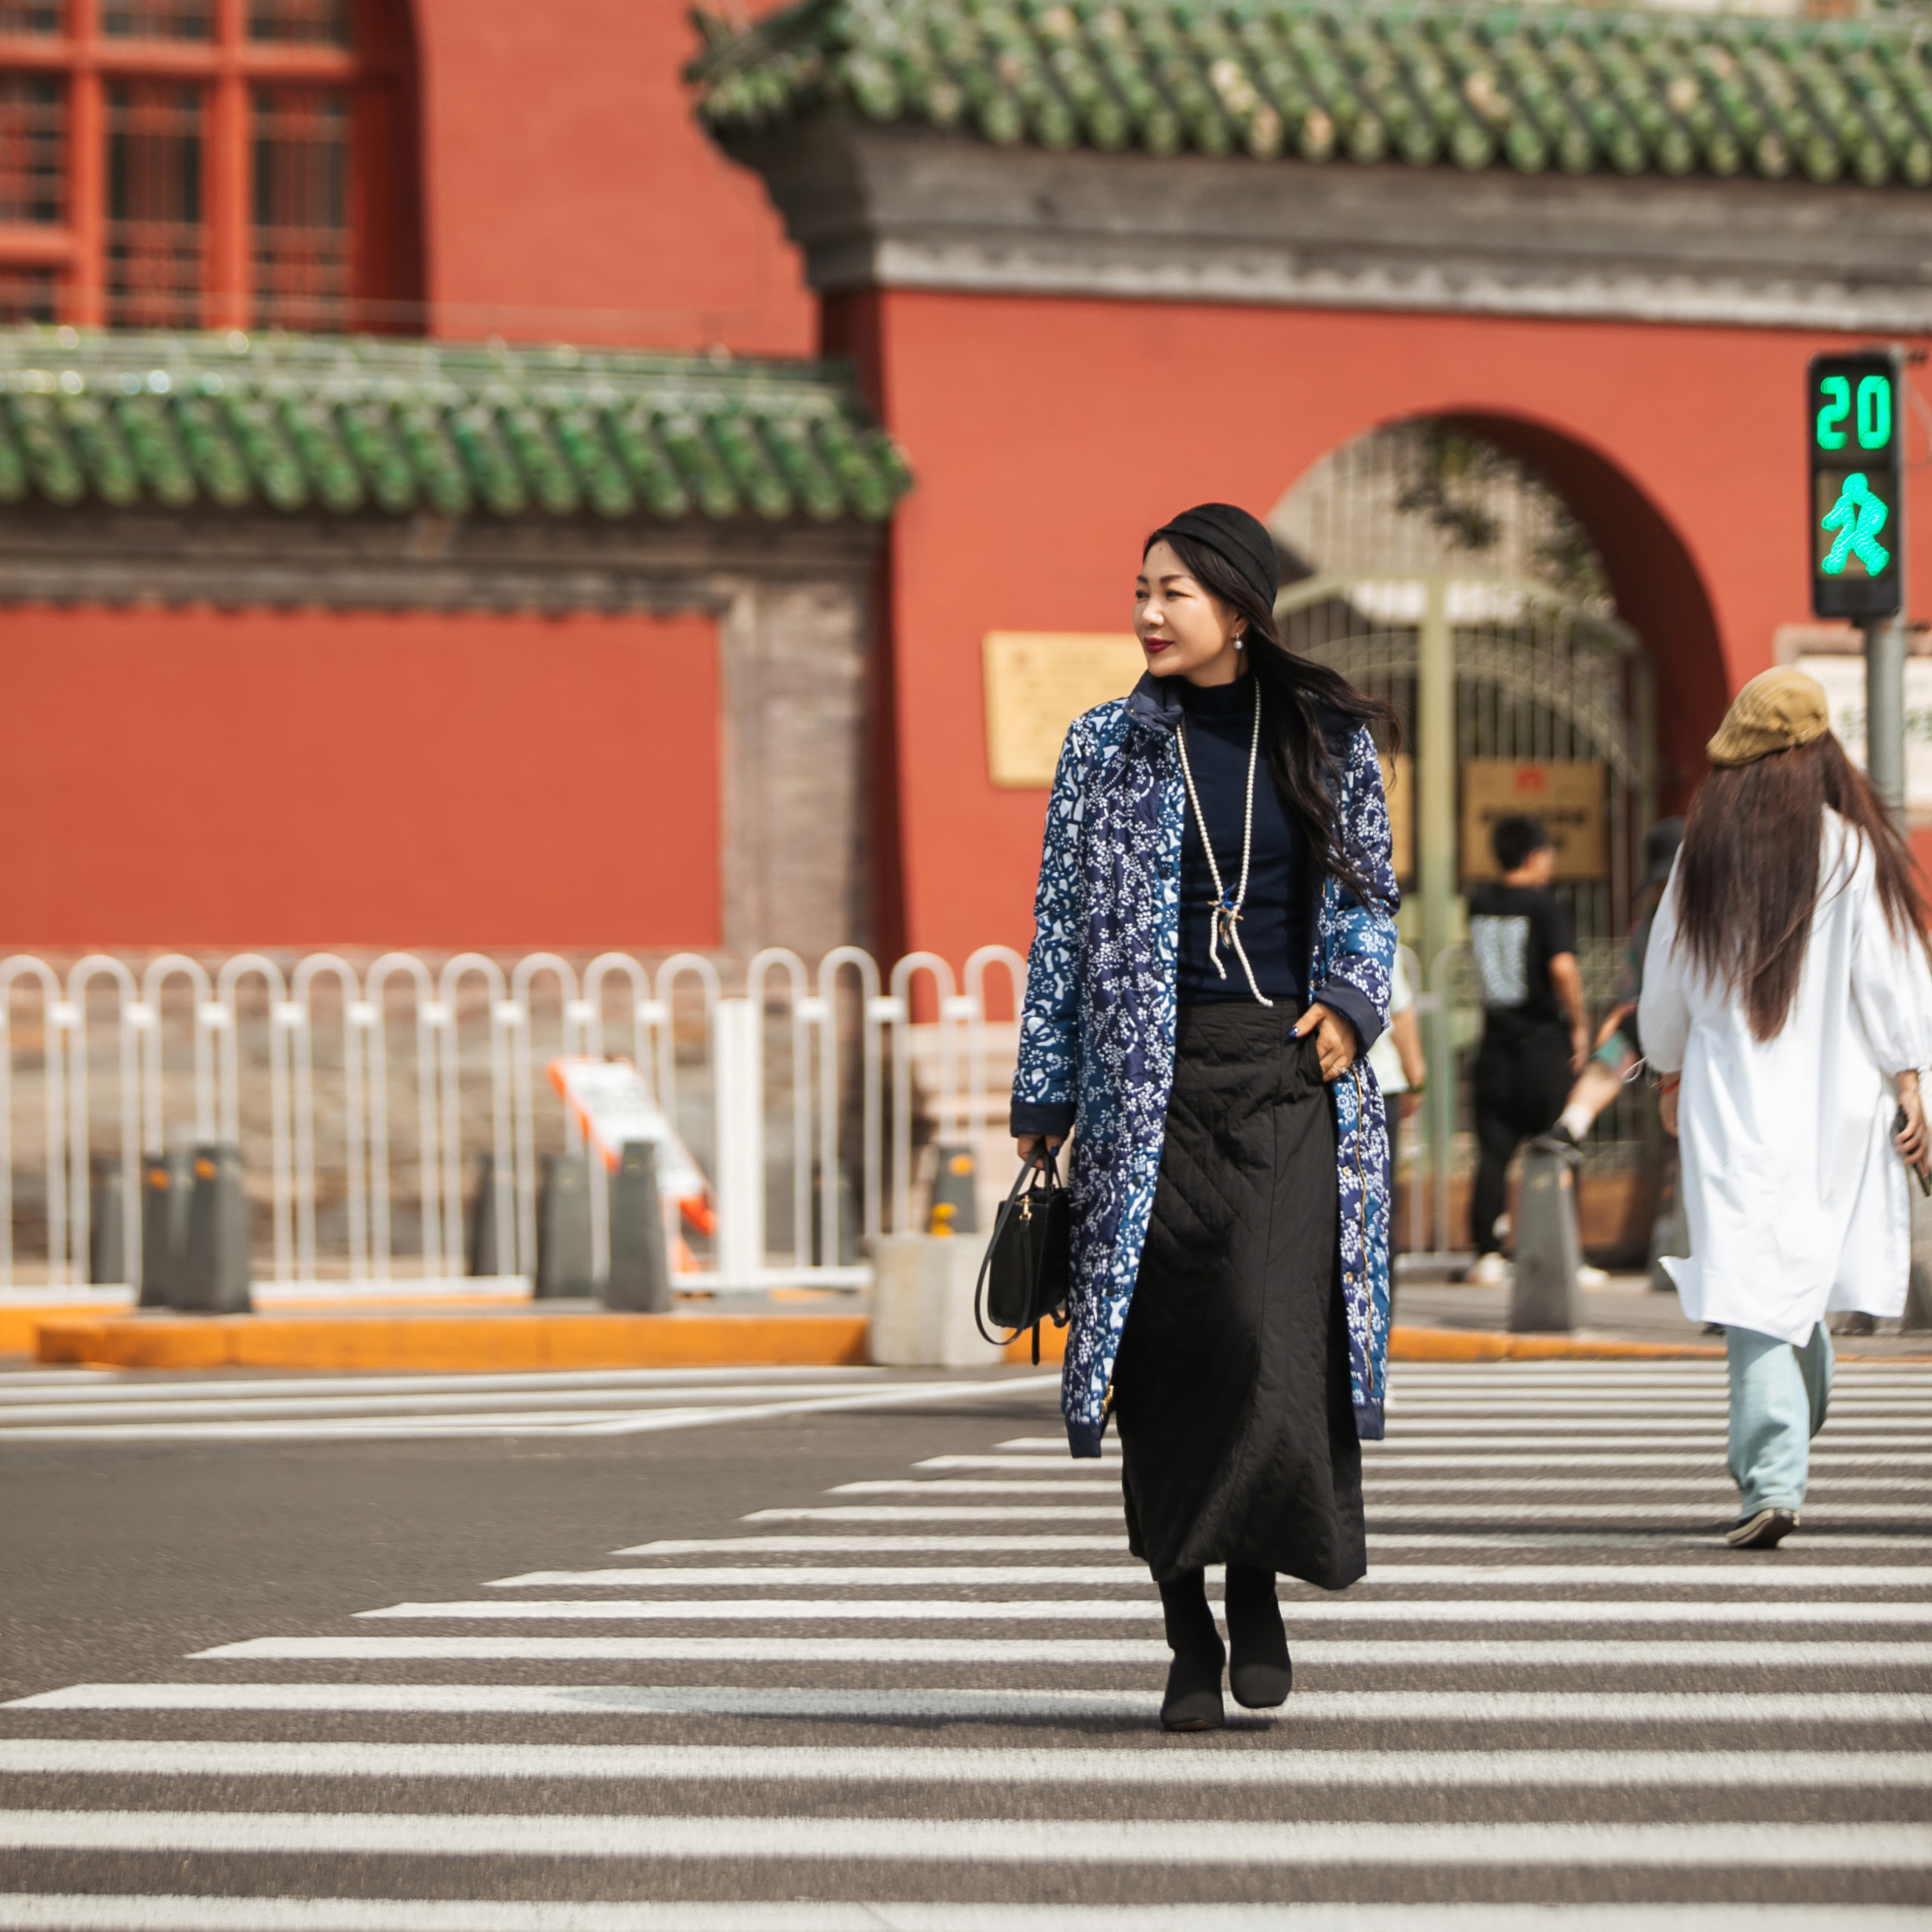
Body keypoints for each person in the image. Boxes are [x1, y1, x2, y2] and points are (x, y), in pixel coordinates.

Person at [1011, 502, 1398, 1731]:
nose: (1147, 614)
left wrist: (1350, 998)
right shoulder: (1105, 748)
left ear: (1239, 605)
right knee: (1164, 1363)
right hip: (1145, 1093)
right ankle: (1187, 1626)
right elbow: (1060, 927)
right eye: (1139, 590)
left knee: (1260, 1335)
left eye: (1172, 591)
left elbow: (1370, 893)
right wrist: (1048, 1093)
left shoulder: (1328, 739)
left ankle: (1255, 1585)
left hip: (1285, 1078)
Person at [1639, 667, 1932, 1549]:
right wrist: (1908, 1079)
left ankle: (1770, 1475)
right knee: (1773, 1277)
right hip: (1832, 1107)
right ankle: (1777, 1461)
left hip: (1728, 1101)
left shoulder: (1702, 850)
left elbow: (1666, 979)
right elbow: (1889, 979)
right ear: (1813, 755)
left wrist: (1665, 1068)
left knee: (1753, 1279)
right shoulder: (1851, 849)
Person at [1538, 817, 1684, 1289]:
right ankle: (1571, 1125)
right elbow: (1637, 997)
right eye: (1660, 883)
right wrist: (1621, 1017)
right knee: (1620, 1046)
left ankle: (1574, 1122)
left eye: (1669, 881)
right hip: (1667, 1042)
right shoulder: (1649, 929)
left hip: (1705, 1044)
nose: (1664, 891)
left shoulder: (1712, 918)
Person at [1464, 815, 1590, 1284]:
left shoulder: (1478, 902)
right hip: (1540, 1043)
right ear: (1536, 855)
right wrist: (1579, 1026)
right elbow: (1562, 970)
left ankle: (1487, 1252)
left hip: (1495, 1044)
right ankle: (1562, 1249)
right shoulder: (1545, 907)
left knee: (1493, 1152)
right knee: (1558, 1145)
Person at [1368, 950, 1427, 1262]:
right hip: (1380, 1082)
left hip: (1378, 1083)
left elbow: (1400, 1010)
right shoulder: (1372, 919)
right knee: (1375, 1210)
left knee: (1375, 1210)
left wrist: (1415, 1077)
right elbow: (1401, 1011)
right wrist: (1415, 1076)